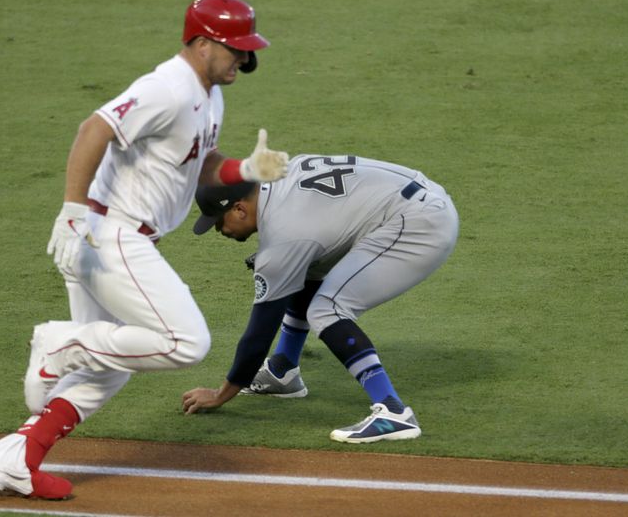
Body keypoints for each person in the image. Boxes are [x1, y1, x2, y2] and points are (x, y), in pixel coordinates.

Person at [0, 0, 288, 500]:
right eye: (236, 50)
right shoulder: (167, 87)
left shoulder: (208, 94)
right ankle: (63, 343)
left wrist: (245, 171)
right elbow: (94, 129)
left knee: (110, 367)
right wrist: (73, 211)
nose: (243, 61)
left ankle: (16, 458)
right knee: (185, 342)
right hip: (110, 233)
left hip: (113, 237)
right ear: (203, 42)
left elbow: (199, 163)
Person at [182, 154, 459, 444]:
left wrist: (222, 394)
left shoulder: (284, 236)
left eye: (218, 222)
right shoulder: (281, 176)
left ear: (239, 209)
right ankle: (282, 371)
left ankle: (393, 412)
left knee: (328, 309)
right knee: (308, 265)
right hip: (416, 197)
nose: (218, 230)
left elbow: (259, 334)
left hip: (418, 224)